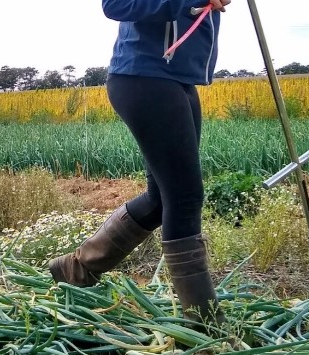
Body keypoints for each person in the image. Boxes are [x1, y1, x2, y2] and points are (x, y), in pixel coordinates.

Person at [49, 0, 231, 328]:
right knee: (185, 197)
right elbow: (116, 4)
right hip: (145, 75)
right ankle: (204, 324)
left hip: (176, 77)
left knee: (162, 199)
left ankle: (76, 268)